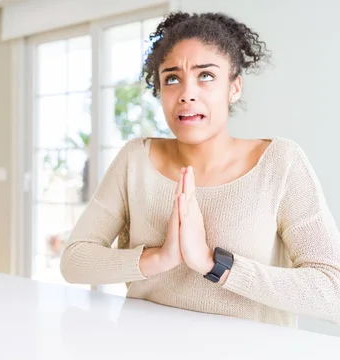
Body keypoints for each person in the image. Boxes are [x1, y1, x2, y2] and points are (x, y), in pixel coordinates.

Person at [59, 11, 340, 328]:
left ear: (234, 88)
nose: (187, 94)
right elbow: (74, 261)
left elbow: (333, 291)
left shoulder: (281, 163)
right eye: (172, 79)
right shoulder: (134, 159)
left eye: (206, 76)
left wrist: (211, 263)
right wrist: (160, 257)